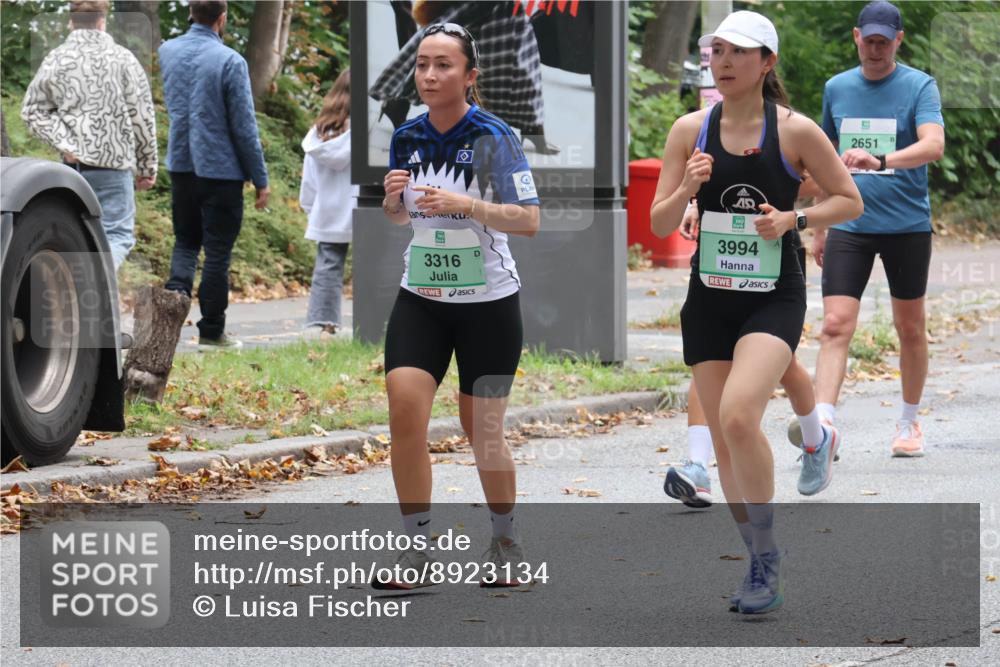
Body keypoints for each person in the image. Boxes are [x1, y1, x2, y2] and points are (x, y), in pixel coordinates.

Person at [650, 11, 863, 613]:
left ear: (766, 63)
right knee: (722, 435)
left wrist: (794, 219)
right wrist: (687, 189)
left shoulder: (794, 132)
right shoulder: (688, 129)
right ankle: (760, 556)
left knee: (740, 414)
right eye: (716, 50)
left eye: (739, 52)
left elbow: (850, 198)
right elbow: (658, 224)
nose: (722, 61)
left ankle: (768, 553)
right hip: (710, 297)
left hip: (774, 293)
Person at [373, 23, 540, 590]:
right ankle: (416, 549)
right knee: (404, 411)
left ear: (470, 76)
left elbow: (530, 220)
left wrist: (470, 204)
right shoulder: (407, 134)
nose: (428, 75)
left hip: (488, 304)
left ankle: (506, 541)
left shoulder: (495, 136)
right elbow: (400, 217)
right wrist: (394, 201)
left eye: (443, 65)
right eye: (422, 65)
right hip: (422, 295)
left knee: (483, 431)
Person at [808, 0, 945, 458]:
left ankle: (909, 422)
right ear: (856, 37)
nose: (876, 49)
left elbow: (933, 145)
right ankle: (823, 426)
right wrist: (819, 222)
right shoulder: (837, 88)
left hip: (906, 225)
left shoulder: (918, 86)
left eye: (884, 42)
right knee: (834, 324)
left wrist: (881, 160)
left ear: (898, 41)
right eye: (869, 40)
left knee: (909, 328)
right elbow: (824, 158)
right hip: (851, 221)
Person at [665, 179, 836, 506]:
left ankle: (817, 440)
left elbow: (817, 180)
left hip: (773, 261)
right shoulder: (700, 129)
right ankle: (699, 465)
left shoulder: (788, 130)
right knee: (708, 361)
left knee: (787, 366)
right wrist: (694, 202)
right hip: (720, 265)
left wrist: (792, 212)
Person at [159, 0, 270, 348]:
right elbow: (244, 128)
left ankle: (166, 329)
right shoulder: (230, 61)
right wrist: (260, 178)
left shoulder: (167, 52)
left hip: (181, 164)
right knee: (218, 253)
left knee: (185, 243)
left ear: (191, 13)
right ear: (222, 19)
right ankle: (211, 332)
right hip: (221, 172)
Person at [21, 0, 157, 271]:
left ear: (71, 21)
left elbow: (32, 111)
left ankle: (79, 291)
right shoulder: (123, 59)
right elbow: (142, 116)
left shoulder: (57, 59)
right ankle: (94, 283)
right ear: (102, 21)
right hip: (114, 169)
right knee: (117, 237)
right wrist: (147, 167)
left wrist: (65, 142)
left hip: (72, 169)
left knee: (77, 239)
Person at [299, 68, 356, 335]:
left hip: (328, 209)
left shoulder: (318, 134)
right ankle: (375, 322)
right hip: (363, 204)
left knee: (328, 264)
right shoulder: (370, 132)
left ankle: (321, 324)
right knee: (373, 264)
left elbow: (309, 181)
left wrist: (311, 207)